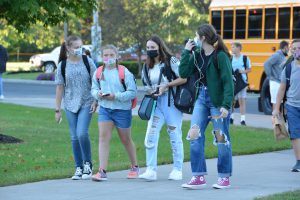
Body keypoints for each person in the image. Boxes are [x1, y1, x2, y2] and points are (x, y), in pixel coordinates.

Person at [179, 24, 234, 189]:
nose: (194, 38)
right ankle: (198, 176)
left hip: (217, 102)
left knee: (221, 139)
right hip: (201, 99)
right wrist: (186, 52)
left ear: (202, 37)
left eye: (196, 35)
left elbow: (228, 82)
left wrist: (226, 105)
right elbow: (183, 72)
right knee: (194, 135)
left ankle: (224, 177)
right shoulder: (196, 54)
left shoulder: (221, 56)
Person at [138, 35, 187, 181]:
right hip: (156, 104)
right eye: (148, 48)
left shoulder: (170, 60)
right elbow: (146, 84)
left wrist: (167, 85)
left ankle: (178, 169)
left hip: (171, 103)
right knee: (151, 135)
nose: (150, 50)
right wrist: (152, 90)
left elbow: (184, 77)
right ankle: (151, 169)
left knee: (174, 135)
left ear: (160, 47)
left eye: (153, 47)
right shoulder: (147, 65)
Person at [91, 44, 139, 181]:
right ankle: (102, 171)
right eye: (105, 55)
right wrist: (98, 94)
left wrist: (116, 96)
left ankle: (134, 166)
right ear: (102, 57)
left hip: (122, 111)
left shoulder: (125, 72)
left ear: (117, 56)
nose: (108, 58)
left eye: (111, 55)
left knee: (125, 139)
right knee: (103, 138)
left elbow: (132, 92)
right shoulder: (99, 72)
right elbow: (93, 88)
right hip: (105, 109)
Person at [55, 35, 97, 180]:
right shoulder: (62, 65)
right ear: (68, 48)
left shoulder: (87, 61)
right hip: (70, 104)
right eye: (76, 47)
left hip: (87, 101)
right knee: (74, 137)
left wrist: (95, 100)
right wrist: (57, 110)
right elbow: (60, 88)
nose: (79, 50)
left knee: (81, 133)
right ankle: (78, 167)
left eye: (81, 47)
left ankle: (88, 165)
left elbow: (97, 81)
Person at [272, 39, 300, 172]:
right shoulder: (288, 68)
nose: (296, 51)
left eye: (298, 48)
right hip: (292, 106)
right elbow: (282, 89)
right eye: (293, 48)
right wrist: (276, 108)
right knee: (294, 133)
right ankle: (298, 162)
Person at [230, 42, 252, 125]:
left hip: (242, 83)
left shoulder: (245, 58)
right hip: (233, 82)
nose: (232, 49)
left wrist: (241, 71)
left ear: (239, 48)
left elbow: (249, 69)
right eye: (231, 47)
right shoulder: (230, 58)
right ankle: (231, 118)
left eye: (233, 47)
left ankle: (242, 120)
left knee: (242, 101)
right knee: (232, 101)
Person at [264, 40, 289, 109]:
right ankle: (274, 118)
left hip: (280, 82)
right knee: (275, 102)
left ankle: (277, 118)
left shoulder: (283, 56)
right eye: (288, 47)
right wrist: (270, 76)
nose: (289, 49)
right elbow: (266, 64)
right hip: (275, 82)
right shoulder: (277, 55)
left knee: (279, 102)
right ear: (285, 47)